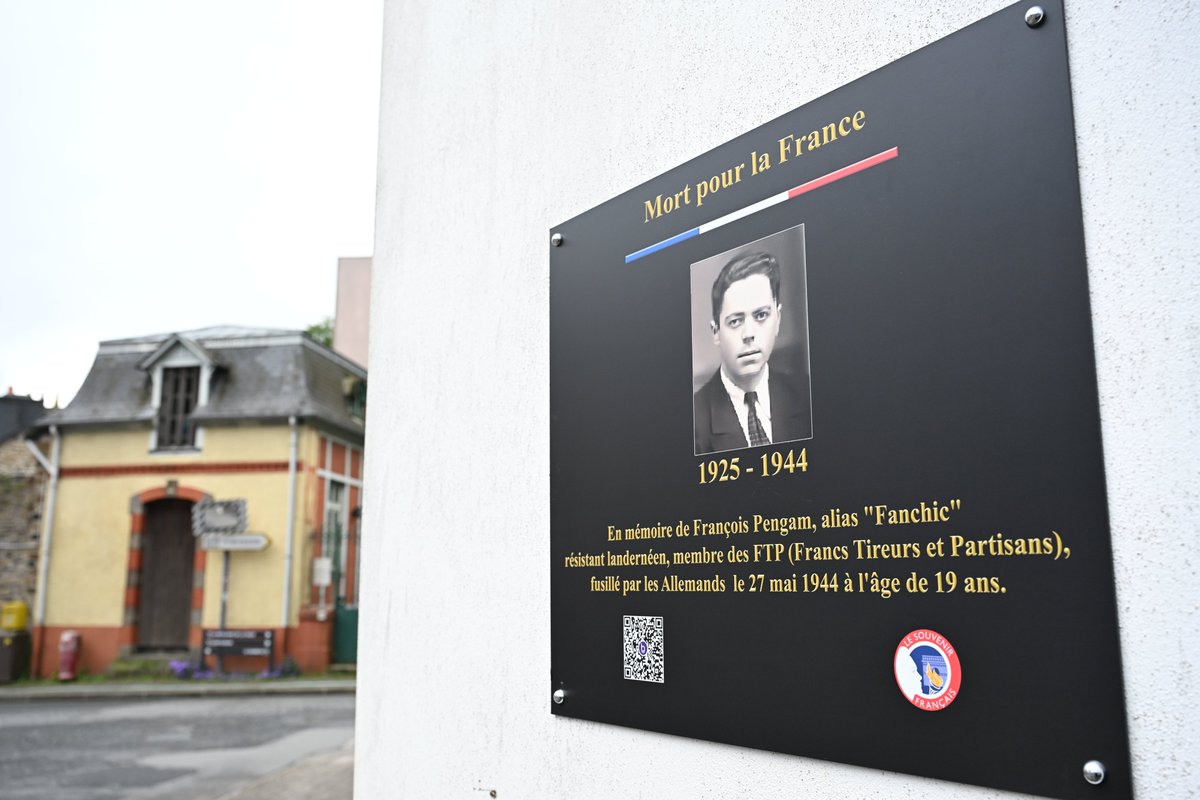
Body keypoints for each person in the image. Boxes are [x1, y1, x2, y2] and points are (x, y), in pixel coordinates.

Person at [693, 250, 812, 455]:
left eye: (761, 315)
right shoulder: (694, 419)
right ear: (716, 332)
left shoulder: (807, 394)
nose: (749, 334)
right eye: (735, 321)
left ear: (778, 319)